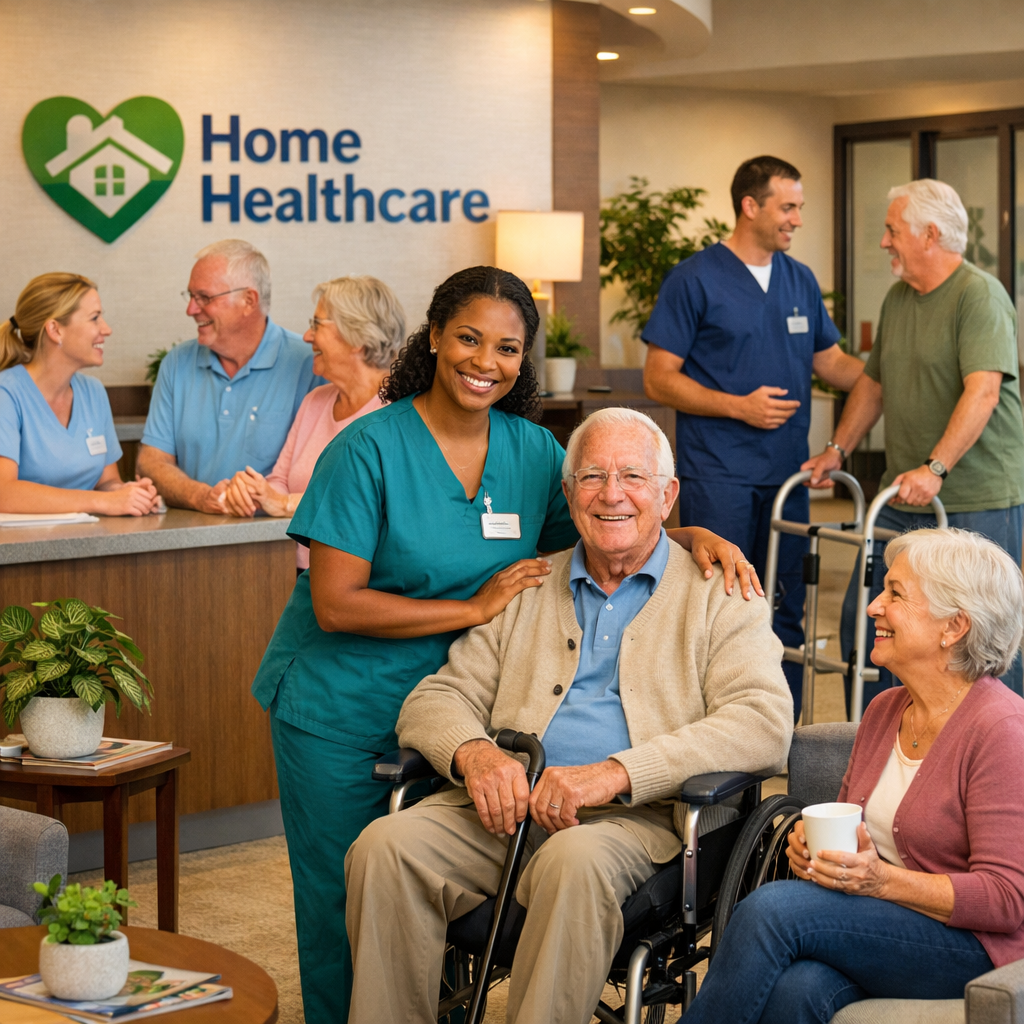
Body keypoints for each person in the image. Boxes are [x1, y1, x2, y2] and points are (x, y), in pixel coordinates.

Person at [249, 266, 765, 1023]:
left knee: (454, 888)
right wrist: (474, 618)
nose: (485, 361)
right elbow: (333, 604)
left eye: (508, 347)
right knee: (344, 894)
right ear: (433, 337)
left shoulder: (533, 453)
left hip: (485, 710)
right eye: (468, 338)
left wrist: (691, 536)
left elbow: (605, 521)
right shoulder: (366, 449)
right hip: (343, 699)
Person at [344, 407, 793, 1024]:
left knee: (571, 862)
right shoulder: (528, 586)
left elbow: (763, 722)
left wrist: (615, 773)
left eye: (632, 476)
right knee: (384, 846)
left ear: (668, 496)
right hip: (503, 813)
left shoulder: (721, 593)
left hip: (637, 821)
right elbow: (436, 697)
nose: (612, 494)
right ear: (568, 493)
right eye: (592, 477)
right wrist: (475, 754)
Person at [685, 527, 1024, 1024]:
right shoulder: (886, 709)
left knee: (772, 910)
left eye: (896, 594)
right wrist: (815, 854)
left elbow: (1006, 899)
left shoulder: (1001, 729)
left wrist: (881, 881)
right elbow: (855, 832)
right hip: (887, 924)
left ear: (954, 627)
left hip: (977, 949)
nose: (872, 607)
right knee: (798, 990)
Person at [643, 155, 864, 719]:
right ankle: (715, 729)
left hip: (789, 477)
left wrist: (891, 376)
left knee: (785, 603)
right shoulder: (694, 278)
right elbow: (658, 377)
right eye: (788, 207)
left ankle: (779, 729)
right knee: (720, 602)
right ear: (750, 205)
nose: (797, 219)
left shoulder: (799, 279)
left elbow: (833, 363)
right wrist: (737, 406)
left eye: (799, 208)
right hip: (720, 473)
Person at [805, 179, 1024, 702]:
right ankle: (884, 738)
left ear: (930, 234)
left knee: (975, 643)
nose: (884, 241)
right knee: (872, 626)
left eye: (892, 230)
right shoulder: (899, 299)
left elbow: (983, 391)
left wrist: (936, 468)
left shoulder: (979, 295)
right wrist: (837, 450)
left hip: (974, 497)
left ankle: (992, 745)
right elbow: (874, 384)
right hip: (901, 496)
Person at [221, 275, 406, 571]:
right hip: (299, 573)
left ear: (357, 336)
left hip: (364, 580)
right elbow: (279, 482)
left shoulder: (401, 411)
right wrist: (254, 493)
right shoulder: (315, 401)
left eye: (317, 324)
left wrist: (283, 504)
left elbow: (375, 505)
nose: (307, 336)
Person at [137, 239, 319, 513]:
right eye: (191, 296)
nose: (191, 309)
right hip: (191, 531)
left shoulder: (308, 364)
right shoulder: (177, 363)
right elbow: (151, 462)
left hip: (278, 535)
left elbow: (334, 477)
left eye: (205, 297)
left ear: (249, 300)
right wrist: (202, 497)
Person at [0, 273, 159, 517]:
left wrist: (128, 493)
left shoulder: (93, 392)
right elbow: (4, 493)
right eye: (95, 318)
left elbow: (107, 482)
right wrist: (102, 502)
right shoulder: (7, 394)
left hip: (88, 538)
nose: (106, 329)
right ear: (55, 330)